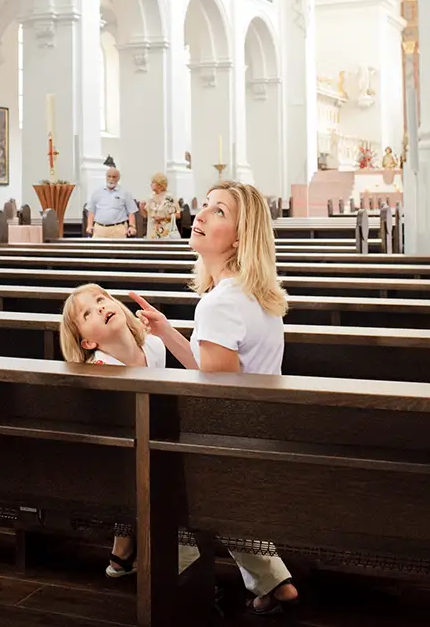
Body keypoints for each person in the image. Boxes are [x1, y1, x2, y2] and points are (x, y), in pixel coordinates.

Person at [131, 180, 299, 616]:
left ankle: (181, 586)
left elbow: (217, 396)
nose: (201, 215)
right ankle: (270, 584)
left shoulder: (220, 303)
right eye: (204, 206)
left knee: (148, 467)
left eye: (218, 211)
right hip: (258, 427)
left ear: (242, 237)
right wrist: (166, 331)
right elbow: (217, 372)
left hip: (233, 440)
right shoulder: (250, 292)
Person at [59, 283, 166, 579]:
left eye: (101, 299)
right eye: (88, 313)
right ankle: (149, 556)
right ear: (87, 343)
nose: (101, 307)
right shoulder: (100, 373)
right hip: (119, 464)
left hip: (154, 448)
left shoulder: (155, 346)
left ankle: (125, 551)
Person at [85, 168, 138, 239]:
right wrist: (89, 225)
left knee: (119, 250)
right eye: (109, 176)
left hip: (118, 230)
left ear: (118, 178)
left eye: (114, 177)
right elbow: (91, 211)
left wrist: (132, 226)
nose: (111, 179)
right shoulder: (97, 192)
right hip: (99, 229)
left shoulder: (125, 193)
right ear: (106, 177)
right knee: (98, 249)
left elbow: (131, 212)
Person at [140, 172, 181, 240]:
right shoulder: (150, 198)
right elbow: (146, 216)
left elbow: (178, 215)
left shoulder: (170, 198)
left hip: (166, 232)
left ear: (159, 184)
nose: (151, 184)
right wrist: (141, 207)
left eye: (153, 182)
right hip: (152, 232)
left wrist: (163, 218)